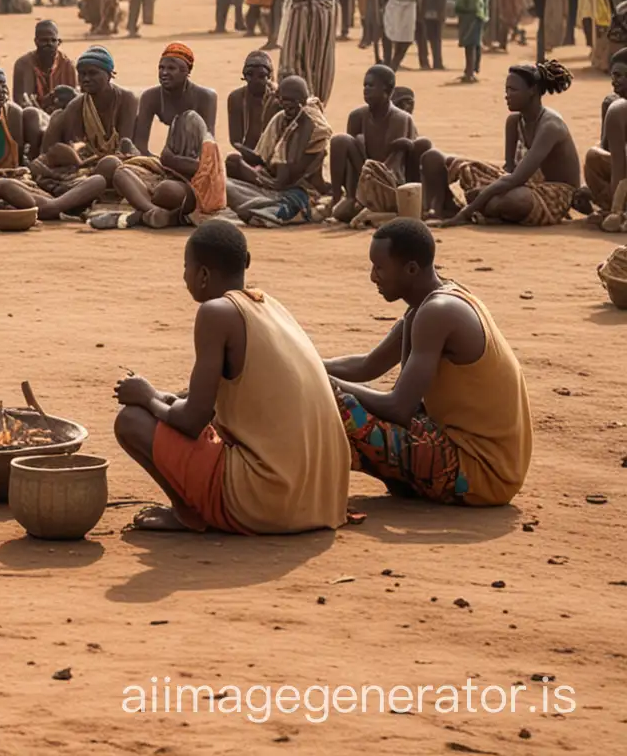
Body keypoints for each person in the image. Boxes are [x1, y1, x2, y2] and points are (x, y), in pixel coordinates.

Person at [113, 220, 348, 534]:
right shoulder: (270, 305)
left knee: (130, 421)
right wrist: (163, 397)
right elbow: (206, 401)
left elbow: (192, 420)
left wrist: (148, 397)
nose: (184, 276)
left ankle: (188, 515)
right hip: (321, 499)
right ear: (246, 262)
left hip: (269, 502)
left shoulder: (215, 313)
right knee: (170, 407)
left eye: (186, 267)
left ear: (203, 275)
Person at [324, 219, 532, 507]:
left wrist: (326, 382)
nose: (373, 276)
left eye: (380, 267)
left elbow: (398, 407)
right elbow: (367, 365)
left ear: (410, 269)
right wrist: (307, 361)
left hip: (481, 473)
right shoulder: (430, 304)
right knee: (327, 389)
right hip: (478, 460)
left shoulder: (438, 312)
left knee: (331, 402)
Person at [420, 61, 581, 225]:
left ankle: (471, 209)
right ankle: (442, 208)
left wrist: (468, 210)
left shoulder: (550, 127)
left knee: (516, 201)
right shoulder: (514, 122)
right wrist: (488, 186)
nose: (507, 95)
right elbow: (508, 170)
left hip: (553, 194)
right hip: (520, 182)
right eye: (506, 90)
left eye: (513, 90)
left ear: (532, 91)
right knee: (432, 157)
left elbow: (516, 179)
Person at [95, 45, 223, 229]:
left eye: (171, 68)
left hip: (190, 179)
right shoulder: (151, 96)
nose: (164, 73)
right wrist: (154, 164)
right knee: (119, 171)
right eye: (161, 68)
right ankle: (152, 211)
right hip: (164, 170)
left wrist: (170, 160)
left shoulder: (205, 97)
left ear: (186, 71)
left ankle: (142, 213)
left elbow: (206, 162)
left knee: (166, 191)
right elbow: (141, 147)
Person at [225, 75, 331, 225]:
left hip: (297, 190)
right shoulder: (280, 119)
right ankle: (256, 202)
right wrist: (244, 153)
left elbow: (285, 177)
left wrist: (264, 178)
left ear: (302, 101)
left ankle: (261, 206)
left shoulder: (312, 127)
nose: (285, 104)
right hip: (271, 182)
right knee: (232, 164)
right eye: (282, 99)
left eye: (291, 101)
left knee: (249, 207)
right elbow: (263, 159)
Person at [328, 64, 422, 223]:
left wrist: (374, 183)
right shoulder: (357, 116)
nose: (366, 89)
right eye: (365, 85)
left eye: (371, 85)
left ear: (388, 91)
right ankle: (338, 197)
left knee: (352, 213)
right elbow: (350, 163)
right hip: (363, 177)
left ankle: (372, 207)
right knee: (340, 141)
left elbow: (394, 165)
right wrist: (356, 192)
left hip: (387, 181)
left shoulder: (400, 119)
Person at [585, 50, 627, 228]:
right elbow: (610, 150)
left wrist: (615, 212)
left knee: (593, 157)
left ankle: (616, 210)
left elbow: (618, 164)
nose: (613, 81)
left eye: (618, 75)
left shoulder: (617, 110)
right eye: (612, 75)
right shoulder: (613, 105)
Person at [12, 20, 78, 113]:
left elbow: (74, 101)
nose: (49, 44)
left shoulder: (67, 65)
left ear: (59, 42)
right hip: (33, 118)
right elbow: (22, 102)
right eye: (44, 40)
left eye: (53, 40)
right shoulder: (23, 65)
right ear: (36, 41)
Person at [226, 50, 280, 156]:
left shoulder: (278, 100)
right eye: (250, 74)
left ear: (269, 77)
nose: (256, 80)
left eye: (261, 76)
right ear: (244, 76)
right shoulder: (236, 98)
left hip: (276, 156)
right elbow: (236, 141)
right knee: (232, 161)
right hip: (248, 155)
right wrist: (254, 157)